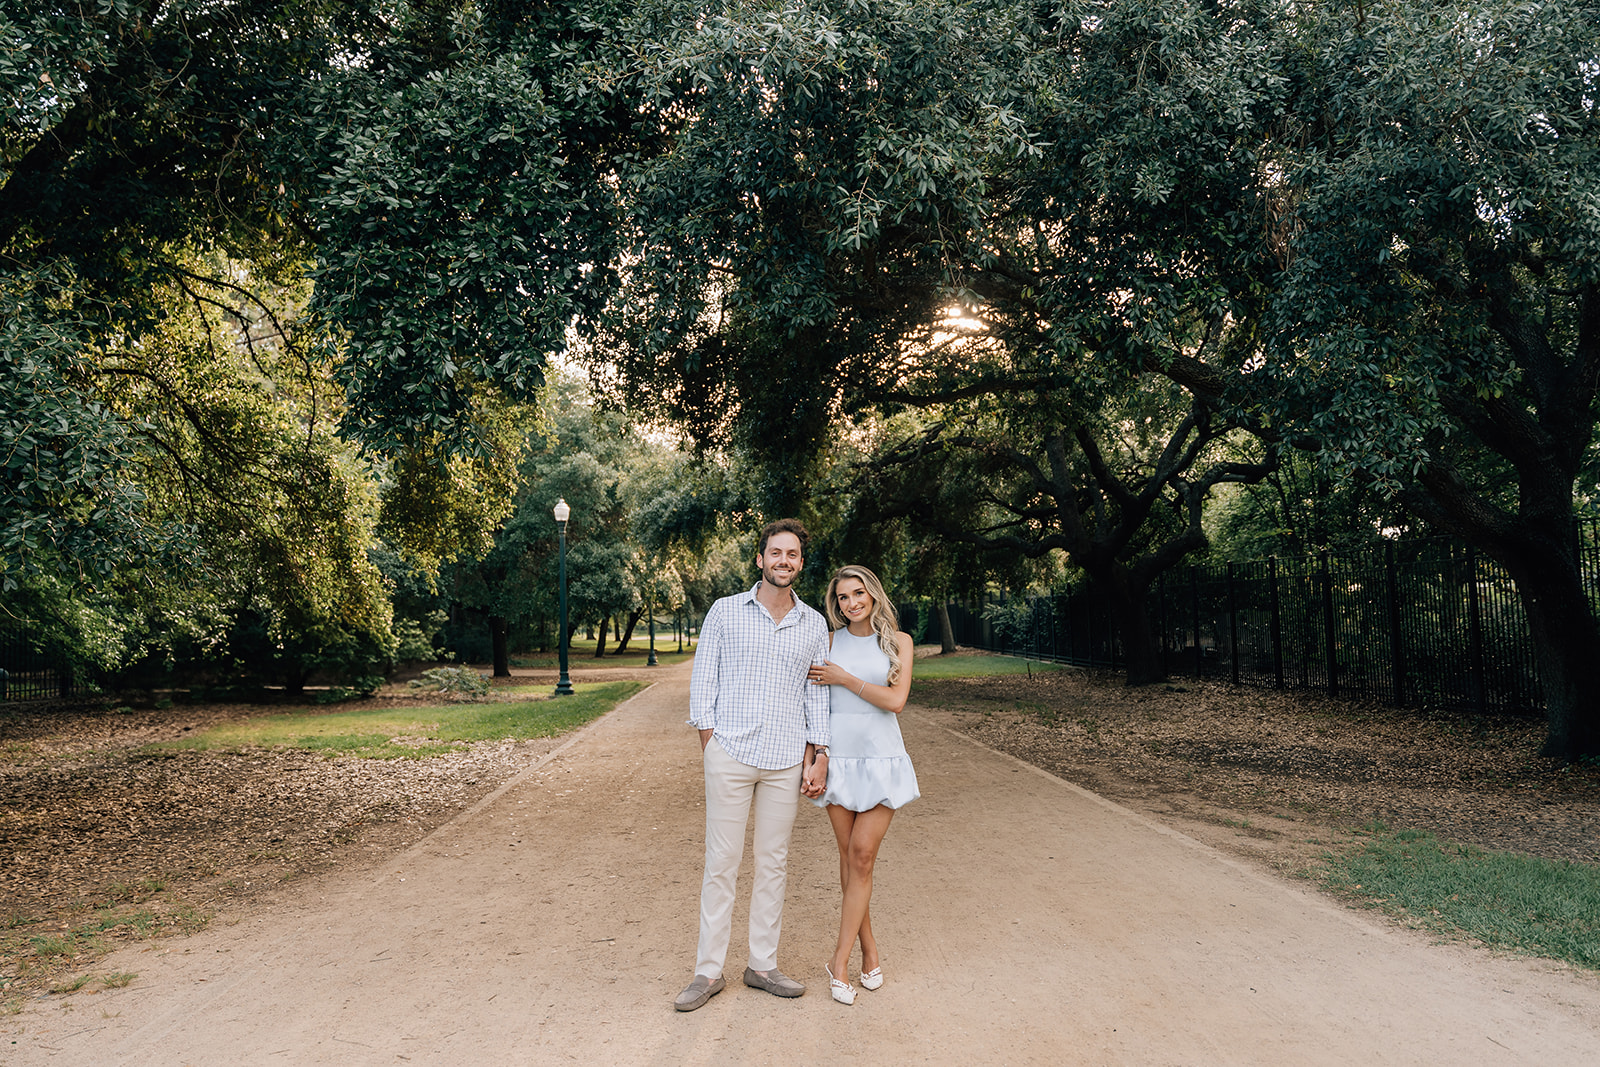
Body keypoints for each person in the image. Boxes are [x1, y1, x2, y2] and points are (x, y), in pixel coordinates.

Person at [675, 519, 831, 1012]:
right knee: (721, 863)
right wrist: (710, 742)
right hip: (731, 754)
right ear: (760, 559)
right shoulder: (725, 612)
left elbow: (817, 694)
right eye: (775, 553)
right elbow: (705, 679)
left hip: (786, 760)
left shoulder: (813, 625)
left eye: (793, 554)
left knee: (774, 863)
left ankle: (762, 965)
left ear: (800, 563)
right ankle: (707, 971)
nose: (783, 561)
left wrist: (819, 751)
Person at [804, 564, 919, 1006]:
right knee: (852, 861)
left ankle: (839, 961)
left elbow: (895, 700)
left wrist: (846, 679)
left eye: (858, 594)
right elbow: (813, 705)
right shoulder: (827, 641)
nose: (851, 604)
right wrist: (813, 759)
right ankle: (869, 951)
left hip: (883, 760)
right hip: (839, 762)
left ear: (872, 594)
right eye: (842, 598)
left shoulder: (900, 643)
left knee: (863, 855)